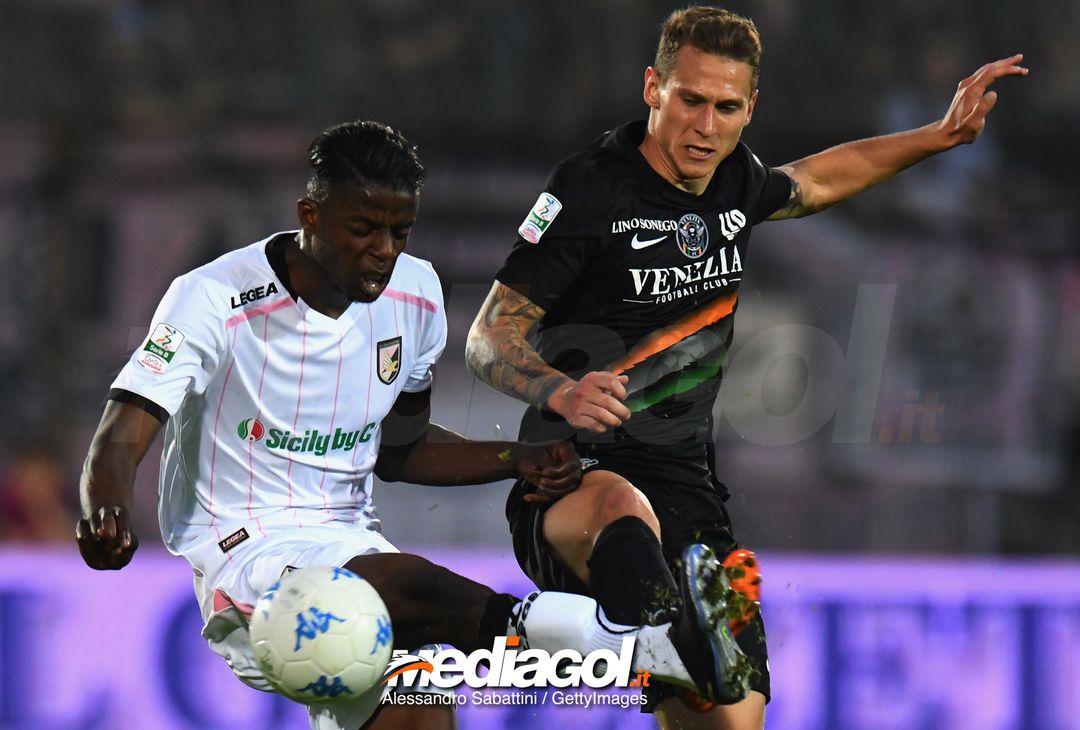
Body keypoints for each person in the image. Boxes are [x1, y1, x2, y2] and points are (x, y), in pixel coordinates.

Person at [75, 120, 748, 730]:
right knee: (405, 586)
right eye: (364, 228)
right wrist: (104, 505)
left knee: (422, 713)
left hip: (348, 536)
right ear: (311, 214)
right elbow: (125, 428)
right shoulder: (214, 298)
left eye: (400, 232)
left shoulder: (415, 296)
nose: (383, 251)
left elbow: (399, 451)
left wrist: (518, 459)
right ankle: (640, 647)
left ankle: (649, 647)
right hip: (246, 556)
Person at [465, 7, 1028, 730]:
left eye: (726, 108)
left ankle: (673, 643)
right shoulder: (590, 188)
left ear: (749, 108)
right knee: (622, 516)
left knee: (729, 722)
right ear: (652, 89)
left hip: (688, 489)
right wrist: (560, 390)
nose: (705, 126)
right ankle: (659, 633)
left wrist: (939, 136)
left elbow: (816, 181)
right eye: (690, 100)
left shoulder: (736, 179)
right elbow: (488, 337)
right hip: (573, 474)